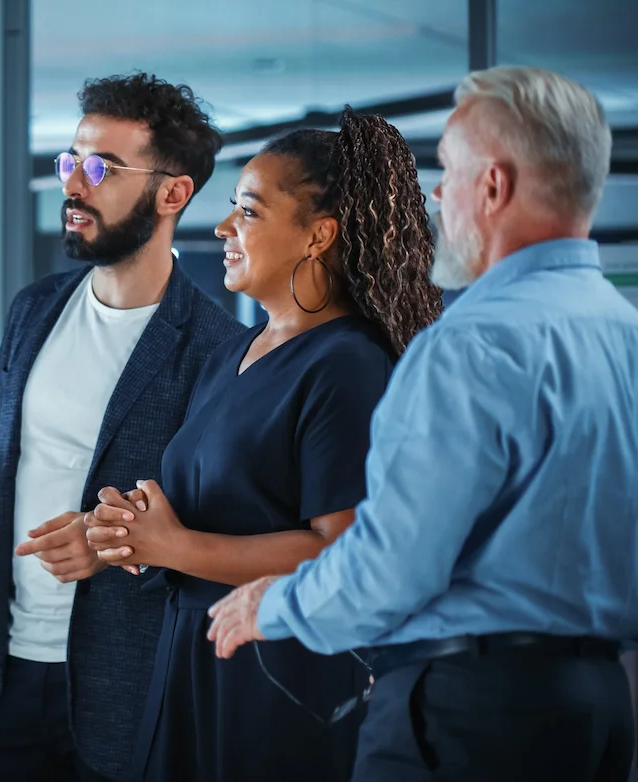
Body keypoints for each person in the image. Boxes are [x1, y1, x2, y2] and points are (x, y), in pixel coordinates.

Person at [206, 66, 638, 782]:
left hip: (470, 716)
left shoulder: (472, 342)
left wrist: (272, 605)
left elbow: (393, 565)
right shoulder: (624, 334)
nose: (437, 194)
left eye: (450, 170)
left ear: (494, 186)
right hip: (599, 710)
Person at [0, 73, 241, 781]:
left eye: (101, 168)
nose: (74, 184)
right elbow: (1, 459)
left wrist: (111, 545)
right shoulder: (35, 310)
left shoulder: (216, 350)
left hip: (130, 692)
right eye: (70, 162)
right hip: (6, 679)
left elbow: (218, 531)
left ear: (172, 193)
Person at [83, 107, 444, 781]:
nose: (223, 228)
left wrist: (178, 546)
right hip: (193, 660)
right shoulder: (235, 354)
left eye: (248, 212)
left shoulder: (348, 367)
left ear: (318, 236)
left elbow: (341, 551)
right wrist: (136, 532)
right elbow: (222, 507)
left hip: (277, 683)